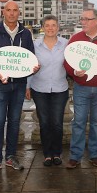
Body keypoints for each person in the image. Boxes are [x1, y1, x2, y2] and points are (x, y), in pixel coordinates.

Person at [0, 1, 37, 174]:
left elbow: (31, 56)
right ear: (3, 12)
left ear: (19, 13)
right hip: (0, 84)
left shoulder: (26, 33)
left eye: (15, 10)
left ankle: (11, 156)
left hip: (19, 84)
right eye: (9, 10)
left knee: (15, 122)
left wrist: (34, 67)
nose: (12, 13)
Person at [64, 8, 97, 169]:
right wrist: (74, 72)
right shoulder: (75, 39)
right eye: (82, 19)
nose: (83, 22)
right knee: (79, 122)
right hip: (81, 87)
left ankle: (95, 155)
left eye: (87, 19)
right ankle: (75, 156)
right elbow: (67, 60)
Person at [27, 15, 69, 167]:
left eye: (53, 25)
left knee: (57, 123)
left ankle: (57, 153)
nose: (50, 28)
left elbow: (73, 62)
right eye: (47, 25)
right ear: (42, 27)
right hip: (39, 88)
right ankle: (47, 154)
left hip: (60, 88)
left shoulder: (66, 44)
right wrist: (27, 85)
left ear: (58, 27)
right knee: (44, 123)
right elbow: (29, 66)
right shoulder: (34, 45)